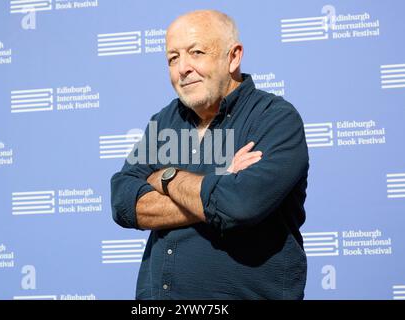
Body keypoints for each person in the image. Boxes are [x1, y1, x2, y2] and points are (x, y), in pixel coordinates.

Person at [110, 9, 309, 300]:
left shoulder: (274, 119)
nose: (183, 68)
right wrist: (219, 183)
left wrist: (165, 177)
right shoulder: (165, 120)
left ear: (234, 57)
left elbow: (239, 205)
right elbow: (124, 201)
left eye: (197, 52)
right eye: (173, 58)